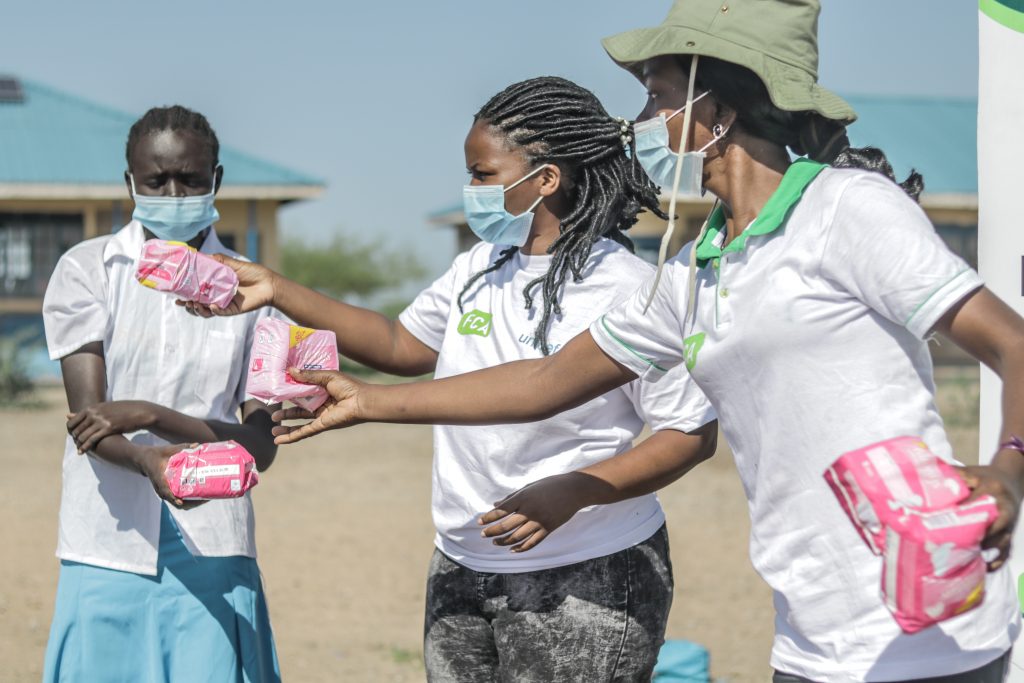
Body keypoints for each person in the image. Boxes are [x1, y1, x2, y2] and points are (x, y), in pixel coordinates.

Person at [266, 2, 1023, 681]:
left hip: (931, 624)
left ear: (716, 110)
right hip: (808, 641)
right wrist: (368, 399)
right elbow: (544, 381)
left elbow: (1014, 344)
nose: (638, 121)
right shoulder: (696, 270)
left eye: (657, 95)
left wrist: (1010, 472)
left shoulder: (847, 210)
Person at [184, 77, 718, 681]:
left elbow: (689, 434)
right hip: (461, 564)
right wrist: (276, 289)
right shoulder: (479, 267)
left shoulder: (627, 288)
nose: (470, 190)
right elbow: (400, 344)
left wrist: (577, 490)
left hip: (585, 573)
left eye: (484, 174)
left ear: (545, 179)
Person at [41, 105, 281, 682]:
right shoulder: (88, 270)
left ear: (216, 181)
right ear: (130, 183)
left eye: (191, 180)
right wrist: (146, 459)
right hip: (106, 539)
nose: (174, 193)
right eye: (156, 181)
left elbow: (261, 446)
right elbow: (89, 421)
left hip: (215, 541)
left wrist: (153, 416)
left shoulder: (256, 290)